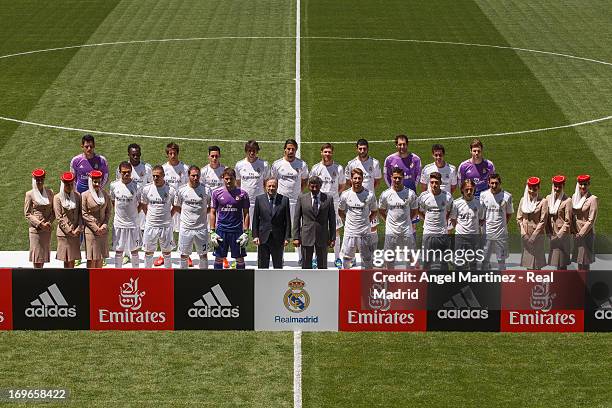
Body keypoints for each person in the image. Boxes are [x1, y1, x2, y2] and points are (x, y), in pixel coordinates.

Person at [271, 139, 308, 262]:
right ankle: (279, 257)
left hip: (297, 202)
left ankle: (301, 257)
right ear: (285, 149)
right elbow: (274, 181)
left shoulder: (302, 165)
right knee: (280, 229)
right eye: (288, 149)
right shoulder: (277, 164)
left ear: (296, 150)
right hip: (281, 203)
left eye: (293, 149)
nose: (291, 151)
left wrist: (297, 194)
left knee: (299, 229)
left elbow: (304, 182)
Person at [309, 143, 345, 267]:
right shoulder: (315, 168)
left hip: (334, 202)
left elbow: (341, 186)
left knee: (336, 230)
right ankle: (315, 258)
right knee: (317, 228)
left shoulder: (338, 168)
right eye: (325, 152)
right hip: (318, 202)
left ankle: (337, 258)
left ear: (332, 153)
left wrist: (331, 196)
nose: (327, 154)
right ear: (321, 152)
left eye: (329, 152)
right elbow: (312, 185)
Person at [345, 139, 383, 254]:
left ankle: (373, 253)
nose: (362, 151)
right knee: (354, 230)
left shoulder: (374, 163)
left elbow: (377, 180)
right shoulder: (351, 164)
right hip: (355, 201)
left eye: (364, 148)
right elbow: (348, 181)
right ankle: (354, 256)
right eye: (360, 148)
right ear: (357, 149)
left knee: (373, 228)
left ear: (368, 149)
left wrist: (368, 193)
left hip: (369, 201)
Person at [209, 168, 250, 270]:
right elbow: (213, 212)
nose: (228, 181)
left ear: (235, 179)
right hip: (221, 230)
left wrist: (246, 232)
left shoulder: (243, 194)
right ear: (223, 178)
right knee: (218, 258)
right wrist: (212, 232)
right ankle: (217, 281)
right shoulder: (216, 193)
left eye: (231, 179)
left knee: (240, 259)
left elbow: (246, 213)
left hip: (237, 231)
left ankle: (241, 281)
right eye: (226, 178)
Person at [378, 167, 418, 269]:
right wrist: (388, 220)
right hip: (391, 232)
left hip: (406, 231)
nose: (397, 180)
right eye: (395, 177)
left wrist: (407, 220)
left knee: (410, 257)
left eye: (399, 178)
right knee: (389, 258)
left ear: (403, 178)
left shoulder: (410, 194)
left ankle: (409, 280)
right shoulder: (385, 194)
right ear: (391, 177)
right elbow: (381, 210)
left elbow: (415, 210)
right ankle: (390, 281)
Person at [293, 176, 336, 269]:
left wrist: (332, 238)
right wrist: (296, 237)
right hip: (306, 236)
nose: (314, 189)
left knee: (322, 266)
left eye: (317, 186)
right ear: (308, 186)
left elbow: (332, 220)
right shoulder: (302, 198)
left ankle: (322, 283)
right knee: (306, 266)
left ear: (320, 186)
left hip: (322, 237)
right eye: (312, 187)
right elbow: (296, 219)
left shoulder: (328, 199)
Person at [338, 169, 378, 269]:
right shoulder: (345, 195)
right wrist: (347, 220)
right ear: (351, 179)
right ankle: (346, 280)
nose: (357, 180)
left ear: (362, 179)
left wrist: (367, 221)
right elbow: (340, 211)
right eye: (355, 178)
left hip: (364, 232)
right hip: (350, 232)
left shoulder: (370, 195)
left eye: (359, 178)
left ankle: (368, 281)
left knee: (367, 259)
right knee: (347, 259)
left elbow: (374, 211)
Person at [141, 165, 179, 268]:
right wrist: (149, 216)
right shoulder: (146, 189)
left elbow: (175, 206)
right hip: (150, 226)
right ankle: (147, 275)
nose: (155, 178)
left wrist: (168, 217)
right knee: (148, 252)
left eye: (158, 176)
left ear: (163, 175)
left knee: (167, 253)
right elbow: (144, 205)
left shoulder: (170, 190)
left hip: (165, 226)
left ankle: (167, 276)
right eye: (154, 176)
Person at [175, 166, 211, 269]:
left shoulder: (206, 190)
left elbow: (211, 207)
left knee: (203, 255)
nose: (195, 178)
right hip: (186, 228)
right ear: (188, 176)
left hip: (201, 228)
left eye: (197, 175)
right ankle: (183, 278)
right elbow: (177, 207)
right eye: (193, 175)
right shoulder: (181, 190)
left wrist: (203, 214)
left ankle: (204, 279)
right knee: (184, 255)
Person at [160, 142, 189, 266]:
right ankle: (164, 254)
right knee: (167, 229)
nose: (172, 155)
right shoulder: (163, 168)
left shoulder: (185, 168)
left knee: (184, 229)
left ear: (178, 153)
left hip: (182, 204)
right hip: (168, 203)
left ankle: (186, 254)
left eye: (174, 153)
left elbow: (189, 185)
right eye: (170, 153)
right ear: (167, 154)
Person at [417, 172, 453, 270]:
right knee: (426, 260)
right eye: (432, 182)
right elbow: (418, 210)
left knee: (443, 260)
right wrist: (425, 218)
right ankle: (425, 283)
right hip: (428, 232)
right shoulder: (423, 196)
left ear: (440, 182)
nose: (434, 185)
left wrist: (445, 220)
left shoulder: (447, 196)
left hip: (442, 233)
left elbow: (449, 210)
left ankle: (444, 282)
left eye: (436, 182)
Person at [253, 177, 291, 268]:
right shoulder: (259, 199)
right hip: (263, 238)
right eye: (269, 186)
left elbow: (288, 221)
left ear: (277, 187)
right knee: (262, 266)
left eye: (273, 186)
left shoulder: (284, 200)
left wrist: (287, 237)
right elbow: (255, 219)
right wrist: (255, 236)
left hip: (278, 238)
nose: (271, 188)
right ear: (265, 187)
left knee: (278, 266)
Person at [110, 162, 142, 268]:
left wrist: (134, 214)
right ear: (119, 172)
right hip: (119, 224)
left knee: (134, 251)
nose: (126, 174)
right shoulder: (114, 185)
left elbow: (141, 204)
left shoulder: (137, 186)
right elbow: (113, 201)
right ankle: (117, 273)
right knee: (119, 251)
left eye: (128, 172)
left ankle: (136, 272)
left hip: (133, 224)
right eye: (124, 172)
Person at [480, 173, 513, 270]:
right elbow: (482, 214)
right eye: (492, 183)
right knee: (485, 259)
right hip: (487, 233)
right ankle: (484, 281)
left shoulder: (507, 196)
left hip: (501, 233)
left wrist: (502, 225)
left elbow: (509, 213)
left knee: (501, 260)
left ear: (500, 183)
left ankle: (502, 282)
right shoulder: (483, 195)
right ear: (488, 183)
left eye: (496, 183)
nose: (494, 185)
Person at [450, 179, 485, 270]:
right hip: (460, 237)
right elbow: (453, 219)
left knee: (474, 263)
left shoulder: (479, 203)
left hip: (474, 237)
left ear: (474, 189)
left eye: (471, 189)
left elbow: (481, 219)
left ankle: (473, 283)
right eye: (466, 190)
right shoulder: (456, 203)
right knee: (459, 263)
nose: (469, 192)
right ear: (462, 190)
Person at [24, 168, 55, 268]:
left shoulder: (50, 192)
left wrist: (49, 223)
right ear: (34, 180)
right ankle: (37, 279)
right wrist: (40, 224)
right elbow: (27, 213)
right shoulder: (30, 194)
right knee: (37, 257)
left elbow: (54, 211)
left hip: (47, 229)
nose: (40, 182)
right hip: (36, 230)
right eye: (38, 180)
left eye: (41, 179)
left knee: (43, 256)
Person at [82, 170, 111, 268]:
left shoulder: (105, 194)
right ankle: (89, 281)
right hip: (90, 231)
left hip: (102, 231)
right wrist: (95, 228)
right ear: (91, 181)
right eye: (95, 182)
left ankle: (99, 281)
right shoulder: (85, 195)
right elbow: (84, 213)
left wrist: (104, 225)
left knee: (100, 257)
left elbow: (108, 212)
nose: (97, 184)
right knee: (92, 258)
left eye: (99, 181)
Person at [516, 177, 547, 269]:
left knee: (537, 264)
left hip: (537, 236)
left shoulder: (543, 202)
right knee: (528, 262)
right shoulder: (523, 200)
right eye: (530, 188)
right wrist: (523, 233)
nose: (532, 191)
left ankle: (538, 283)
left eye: (534, 189)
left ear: (538, 188)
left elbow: (543, 221)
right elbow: (519, 218)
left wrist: (533, 236)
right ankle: (529, 283)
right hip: (525, 235)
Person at [236, 140, 269, 224]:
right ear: (246, 151)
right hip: (244, 201)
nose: (251, 153)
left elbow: (266, 182)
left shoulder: (264, 165)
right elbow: (238, 182)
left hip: (259, 201)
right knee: (244, 225)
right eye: (249, 150)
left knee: (259, 225)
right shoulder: (239, 165)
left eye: (254, 150)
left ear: (257, 151)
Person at [53, 171, 82, 268]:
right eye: (67, 184)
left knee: (73, 259)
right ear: (63, 184)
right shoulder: (57, 198)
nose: (69, 186)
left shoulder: (77, 196)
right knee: (66, 260)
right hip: (64, 234)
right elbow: (59, 217)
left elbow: (80, 214)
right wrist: (69, 231)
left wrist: (79, 228)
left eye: (71, 184)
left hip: (75, 233)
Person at [544, 175, 572, 269]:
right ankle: (558, 282)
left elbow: (568, 221)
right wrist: (548, 232)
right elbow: (546, 217)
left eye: (559, 186)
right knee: (555, 261)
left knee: (562, 262)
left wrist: (558, 236)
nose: (557, 188)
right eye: (555, 186)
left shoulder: (567, 200)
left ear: (563, 186)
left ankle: (563, 283)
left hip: (562, 236)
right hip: (552, 234)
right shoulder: (548, 198)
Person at [571, 174, 598, 270]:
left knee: (585, 260)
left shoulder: (593, 199)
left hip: (586, 234)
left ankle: (586, 283)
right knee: (579, 259)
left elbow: (591, 220)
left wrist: (581, 233)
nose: (583, 187)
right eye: (581, 184)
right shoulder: (574, 197)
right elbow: (572, 216)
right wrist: (574, 231)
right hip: (576, 233)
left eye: (585, 184)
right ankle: (579, 283)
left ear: (589, 184)